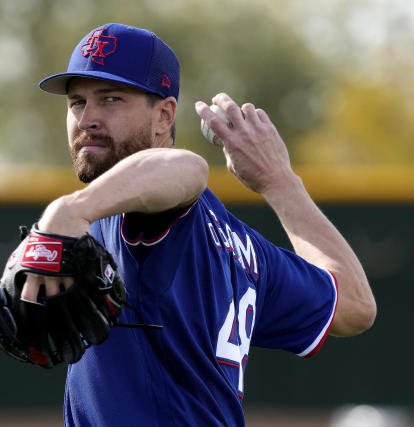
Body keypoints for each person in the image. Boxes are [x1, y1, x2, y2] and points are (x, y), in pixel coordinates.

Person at [19, 23, 376, 426]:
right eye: (77, 102)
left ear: (165, 115)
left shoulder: (143, 212)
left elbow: (186, 167)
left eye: (112, 99)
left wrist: (66, 212)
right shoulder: (239, 244)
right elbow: (354, 306)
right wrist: (280, 183)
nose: (88, 118)